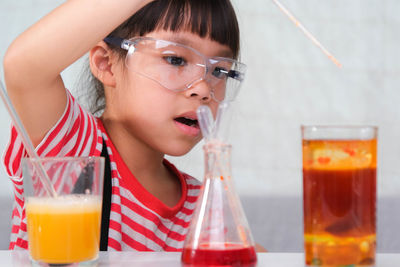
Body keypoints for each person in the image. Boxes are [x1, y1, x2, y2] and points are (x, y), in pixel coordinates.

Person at [3, 0, 257, 252]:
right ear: (107, 64)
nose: (203, 89)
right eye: (176, 60)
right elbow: (25, 67)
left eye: (220, 72)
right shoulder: (75, 153)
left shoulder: (201, 209)